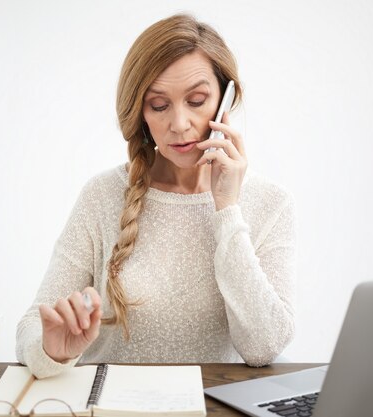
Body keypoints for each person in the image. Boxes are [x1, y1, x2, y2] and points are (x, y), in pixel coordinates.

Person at [16, 13, 296, 379]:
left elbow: (264, 347)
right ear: (140, 114)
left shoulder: (270, 204)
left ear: (226, 100)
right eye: (160, 106)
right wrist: (50, 350)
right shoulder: (102, 196)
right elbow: (29, 329)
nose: (179, 124)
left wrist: (227, 209)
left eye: (197, 100)